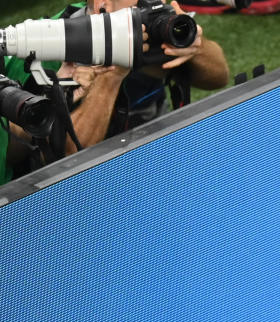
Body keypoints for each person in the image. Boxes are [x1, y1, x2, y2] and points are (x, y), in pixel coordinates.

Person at [1, 0, 228, 184]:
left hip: (155, 156)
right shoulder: (50, 43)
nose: (107, 5)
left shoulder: (152, 21)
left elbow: (219, 77)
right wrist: (112, 75)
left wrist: (195, 46)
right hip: (86, 184)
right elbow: (67, 164)